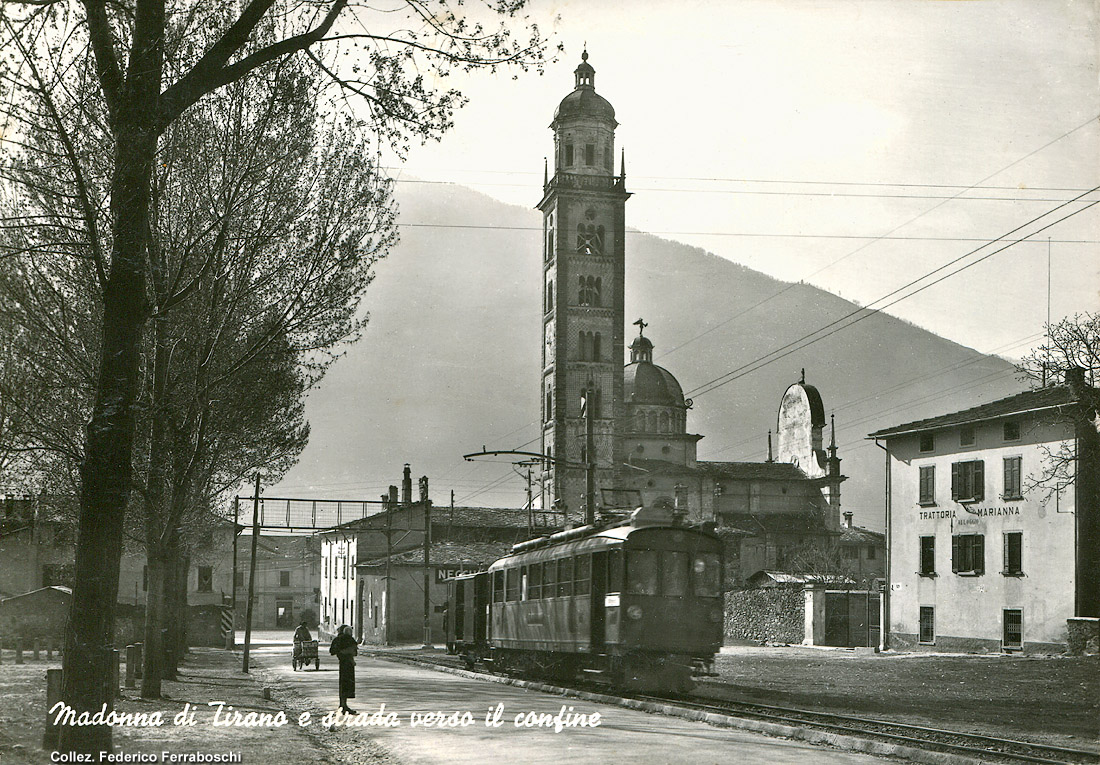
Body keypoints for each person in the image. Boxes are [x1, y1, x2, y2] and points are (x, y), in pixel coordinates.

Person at [328, 625, 359, 713]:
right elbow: (354, 652)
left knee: (342, 683)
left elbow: (332, 651)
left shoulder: (338, 639)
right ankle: (344, 705)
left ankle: (342, 704)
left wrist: (340, 652)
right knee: (348, 684)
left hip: (341, 663)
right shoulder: (350, 639)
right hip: (349, 663)